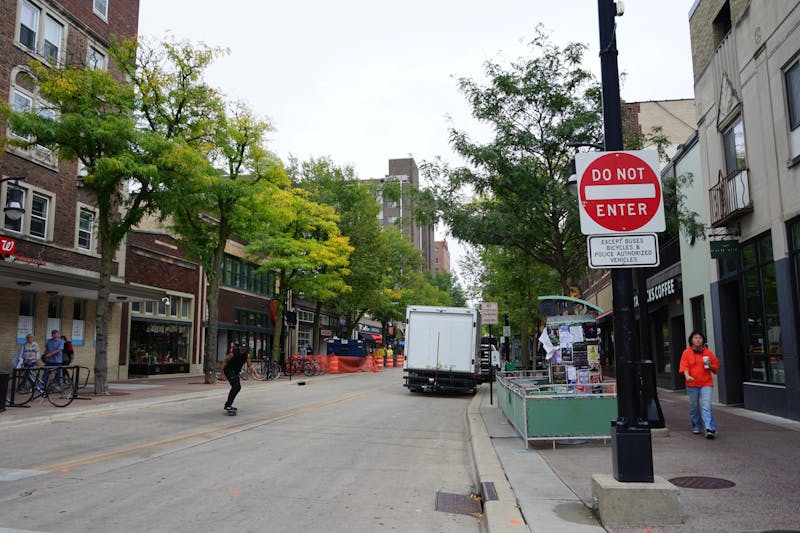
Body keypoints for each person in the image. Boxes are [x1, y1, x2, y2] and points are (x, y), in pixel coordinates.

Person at [678, 331, 720, 439]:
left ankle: (709, 428)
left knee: (706, 406)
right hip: (692, 384)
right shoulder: (686, 352)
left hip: (706, 383)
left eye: (700, 338)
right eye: (695, 338)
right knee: (694, 407)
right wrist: (687, 376)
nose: (698, 340)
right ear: (691, 340)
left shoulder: (708, 353)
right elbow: (684, 366)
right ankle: (697, 425)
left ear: (703, 340)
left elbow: (716, 366)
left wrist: (710, 365)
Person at [219, 340, 260, 413]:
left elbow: (250, 365)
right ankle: (228, 405)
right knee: (235, 386)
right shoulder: (233, 354)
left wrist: (255, 373)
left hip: (236, 372)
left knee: (238, 387)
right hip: (229, 370)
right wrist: (222, 373)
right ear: (239, 348)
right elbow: (224, 361)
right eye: (241, 349)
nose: (242, 351)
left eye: (244, 350)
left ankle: (229, 404)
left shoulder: (246, 355)